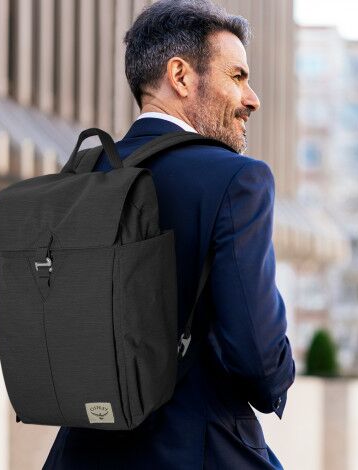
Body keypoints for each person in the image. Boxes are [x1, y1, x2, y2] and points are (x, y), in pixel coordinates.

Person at [44, 0, 295, 468]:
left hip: (79, 452)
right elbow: (257, 359)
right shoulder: (237, 180)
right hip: (197, 450)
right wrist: (280, 377)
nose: (252, 98)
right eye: (237, 76)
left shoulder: (80, 174)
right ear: (180, 76)